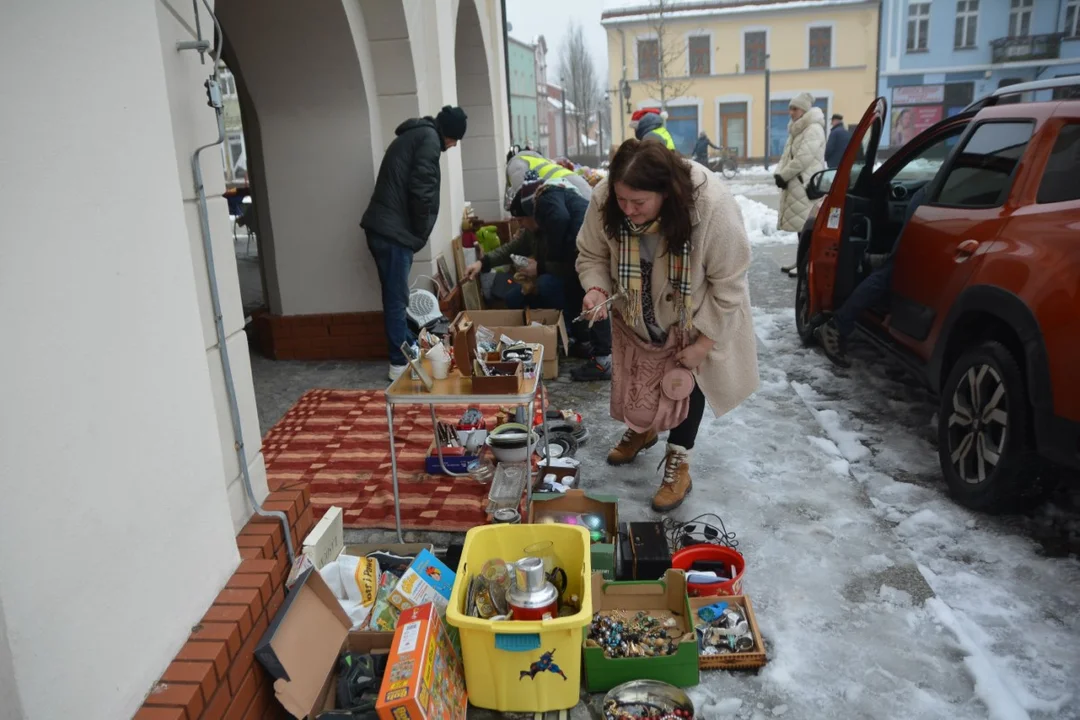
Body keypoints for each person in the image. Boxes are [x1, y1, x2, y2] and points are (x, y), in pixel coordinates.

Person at [576, 140, 759, 511]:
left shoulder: (711, 208)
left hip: (696, 308)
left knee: (684, 380)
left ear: (666, 192)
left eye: (638, 203)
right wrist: (596, 288)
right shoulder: (605, 198)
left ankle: (679, 461)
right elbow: (592, 253)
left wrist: (704, 344)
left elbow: (729, 286)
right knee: (640, 373)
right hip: (636, 304)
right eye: (622, 200)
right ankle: (644, 429)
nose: (628, 210)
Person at [468, 157, 612, 381]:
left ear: (534, 214)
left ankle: (580, 340)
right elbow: (510, 249)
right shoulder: (536, 230)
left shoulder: (560, 222)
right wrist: (482, 263)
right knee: (514, 297)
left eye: (522, 220)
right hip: (553, 278)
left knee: (551, 287)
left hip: (562, 279)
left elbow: (569, 268)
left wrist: (540, 269)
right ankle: (550, 333)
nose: (521, 225)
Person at [361, 106, 467, 380]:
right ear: (449, 134)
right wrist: (420, 230)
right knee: (396, 298)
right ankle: (399, 362)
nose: (454, 146)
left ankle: (407, 346)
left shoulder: (418, 135)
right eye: (456, 140)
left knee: (397, 295)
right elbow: (421, 189)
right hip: (392, 233)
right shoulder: (429, 140)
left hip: (385, 228)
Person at [815, 186, 928, 367]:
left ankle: (879, 262)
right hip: (930, 204)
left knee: (895, 267)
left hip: (931, 205)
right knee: (893, 270)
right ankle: (838, 323)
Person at [775, 93, 827, 278]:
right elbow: (786, 155)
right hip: (795, 183)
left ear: (804, 109)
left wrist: (785, 175)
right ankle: (800, 260)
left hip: (805, 185)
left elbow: (803, 158)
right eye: (790, 108)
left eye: (794, 108)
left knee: (807, 228)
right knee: (801, 229)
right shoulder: (797, 129)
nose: (791, 112)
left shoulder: (813, 129)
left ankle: (806, 264)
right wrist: (779, 173)